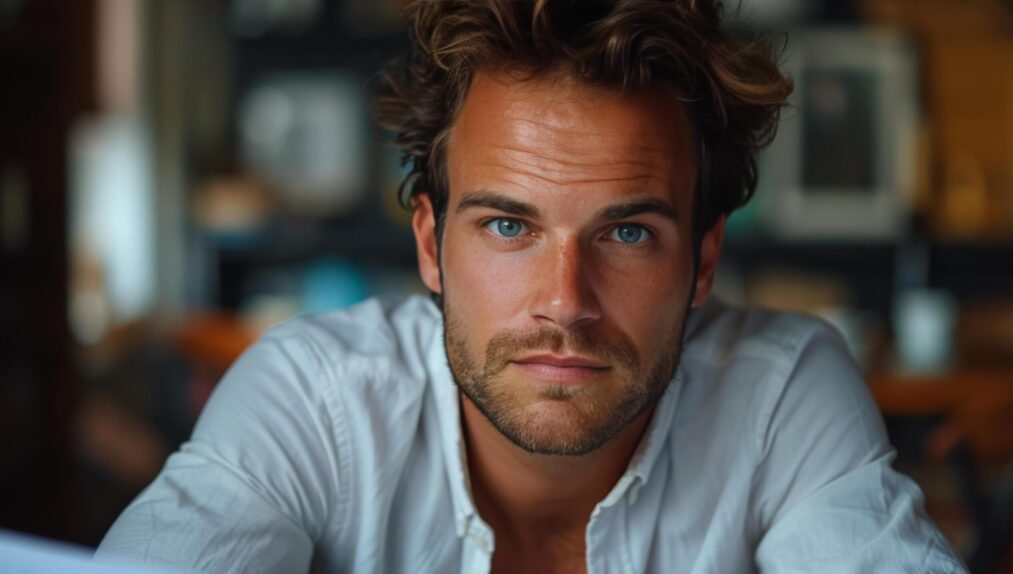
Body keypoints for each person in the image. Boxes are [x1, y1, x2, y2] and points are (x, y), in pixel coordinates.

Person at [97, 1, 966, 572]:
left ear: (703, 262)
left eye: (627, 232)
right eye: (509, 227)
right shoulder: (313, 399)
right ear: (432, 250)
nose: (565, 300)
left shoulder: (780, 392)